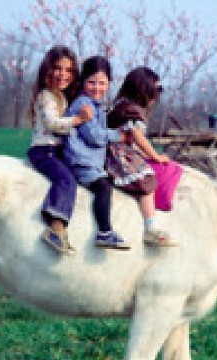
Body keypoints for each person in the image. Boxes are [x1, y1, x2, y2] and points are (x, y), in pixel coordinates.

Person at [27, 45, 93, 255]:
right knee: (65, 180)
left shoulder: (62, 97)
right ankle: (56, 227)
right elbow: (52, 123)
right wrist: (78, 120)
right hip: (43, 150)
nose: (63, 75)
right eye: (57, 68)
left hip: (56, 150)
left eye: (69, 70)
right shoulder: (46, 96)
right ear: (47, 69)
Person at [106, 66, 178, 247]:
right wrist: (155, 155)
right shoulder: (131, 109)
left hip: (119, 148)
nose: (153, 100)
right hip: (118, 152)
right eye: (152, 95)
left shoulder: (121, 104)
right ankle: (151, 227)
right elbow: (137, 136)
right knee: (146, 179)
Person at [64, 55, 129, 250]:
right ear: (83, 82)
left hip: (90, 160)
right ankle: (104, 232)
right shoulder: (83, 105)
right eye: (91, 82)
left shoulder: (96, 105)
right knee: (103, 187)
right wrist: (117, 135)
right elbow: (93, 135)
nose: (97, 87)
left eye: (102, 83)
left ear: (109, 83)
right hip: (81, 161)